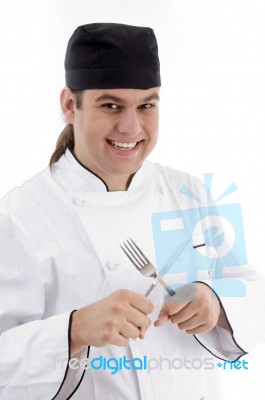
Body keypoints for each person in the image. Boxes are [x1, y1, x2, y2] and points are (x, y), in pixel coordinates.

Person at [0, 22, 264, 400]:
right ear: (70, 105)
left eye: (147, 105)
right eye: (111, 105)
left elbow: (253, 289)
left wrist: (217, 303)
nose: (131, 126)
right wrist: (74, 330)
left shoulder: (190, 193)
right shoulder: (19, 216)